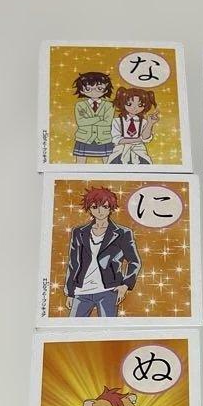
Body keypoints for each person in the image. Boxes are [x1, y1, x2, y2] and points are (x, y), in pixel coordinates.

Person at [63, 187, 141, 317]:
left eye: (104, 207)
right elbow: (73, 263)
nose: (100, 211)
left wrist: (125, 285)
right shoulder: (79, 232)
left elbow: (134, 261)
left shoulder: (122, 233)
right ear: (89, 209)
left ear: (111, 207)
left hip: (109, 290)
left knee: (108, 327)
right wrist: (70, 292)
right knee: (73, 326)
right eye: (95, 207)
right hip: (81, 291)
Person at [71, 71, 114, 163]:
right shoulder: (80, 105)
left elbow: (107, 123)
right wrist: (99, 118)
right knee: (80, 163)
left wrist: (89, 120)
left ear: (106, 90)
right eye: (88, 88)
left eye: (99, 88)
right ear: (82, 90)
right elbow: (81, 123)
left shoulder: (109, 105)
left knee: (108, 163)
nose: (94, 91)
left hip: (104, 138)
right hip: (84, 138)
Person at [108, 87, 159, 165]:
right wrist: (139, 139)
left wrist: (150, 123)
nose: (134, 108)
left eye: (140, 105)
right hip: (120, 151)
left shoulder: (144, 122)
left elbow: (146, 138)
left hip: (139, 152)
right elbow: (117, 140)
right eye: (129, 104)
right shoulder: (117, 121)